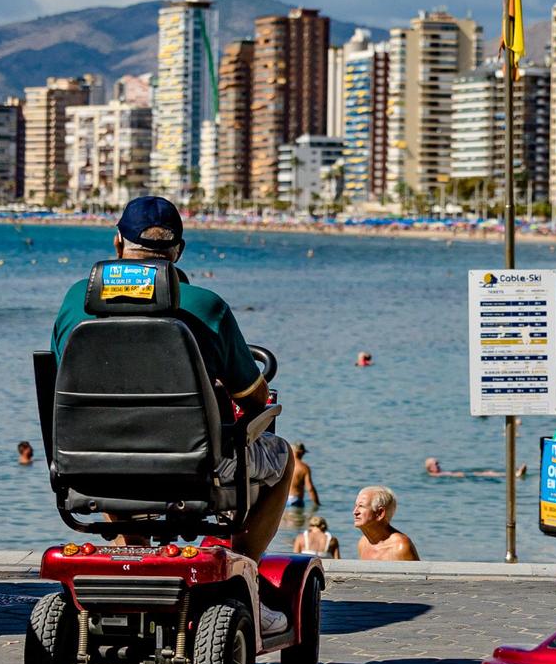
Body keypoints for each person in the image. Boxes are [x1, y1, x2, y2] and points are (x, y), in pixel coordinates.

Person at [50, 197, 293, 615]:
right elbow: (253, 396)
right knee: (284, 458)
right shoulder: (206, 307)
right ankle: (245, 579)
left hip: (91, 464)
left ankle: (136, 559)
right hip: (192, 467)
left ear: (117, 244)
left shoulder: (77, 300)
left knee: (110, 449)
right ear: (178, 251)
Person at [353, 486, 420, 561]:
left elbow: (417, 572)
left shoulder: (400, 547)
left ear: (380, 513)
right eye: (356, 506)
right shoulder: (363, 543)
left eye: (361, 506)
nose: (355, 512)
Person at [288, 442, 320, 510]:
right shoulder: (304, 468)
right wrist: (317, 504)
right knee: (297, 520)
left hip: (284, 500)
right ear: (301, 452)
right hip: (296, 501)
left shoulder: (285, 465)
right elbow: (310, 488)